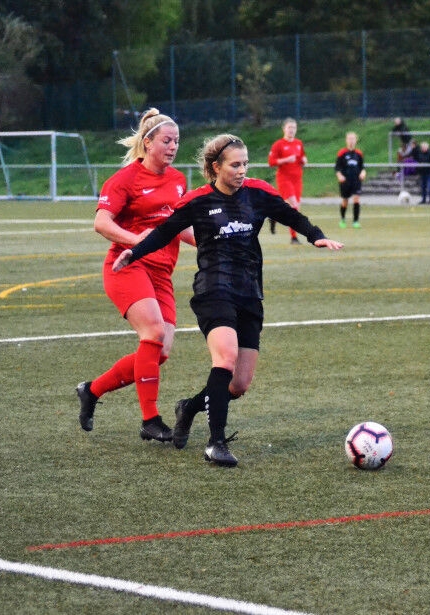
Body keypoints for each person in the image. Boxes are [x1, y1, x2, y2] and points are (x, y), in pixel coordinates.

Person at [112, 134, 344, 466]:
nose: (242, 170)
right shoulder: (198, 200)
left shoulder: (258, 193)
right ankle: (215, 443)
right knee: (226, 357)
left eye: (245, 164)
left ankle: (189, 407)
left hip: (249, 292)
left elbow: (292, 216)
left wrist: (316, 237)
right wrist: (133, 253)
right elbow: (164, 232)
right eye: (235, 165)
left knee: (239, 384)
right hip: (213, 290)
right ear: (215, 167)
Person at [75, 108, 196, 441]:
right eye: (167, 140)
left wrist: (214, 243)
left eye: (177, 141)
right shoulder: (124, 179)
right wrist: (135, 240)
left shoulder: (178, 180)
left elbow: (181, 227)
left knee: (161, 351)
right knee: (153, 333)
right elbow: (101, 223)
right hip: (127, 266)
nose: (173, 146)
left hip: (161, 273)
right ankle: (150, 420)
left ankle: (91, 390)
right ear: (148, 142)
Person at [267, 118, 307, 243]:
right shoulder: (278, 144)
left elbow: (301, 157)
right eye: (289, 127)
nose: (291, 130)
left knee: (292, 207)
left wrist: (304, 160)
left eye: (294, 127)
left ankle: (274, 217)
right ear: (284, 129)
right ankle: (294, 237)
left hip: (297, 180)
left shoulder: (299, 143)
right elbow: (271, 162)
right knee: (294, 206)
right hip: (284, 179)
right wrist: (286, 160)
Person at [335, 131, 366, 228]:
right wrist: (339, 175)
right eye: (349, 139)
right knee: (345, 201)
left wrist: (363, 172)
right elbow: (337, 167)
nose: (351, 141)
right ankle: (343, 219)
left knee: (356, 199)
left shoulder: (359, 153)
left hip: (356, 180)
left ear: (356, 140)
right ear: (346, 140)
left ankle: (355, 221)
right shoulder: (342, 153)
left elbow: (362, 167)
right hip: (345, 181)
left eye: (353, 139)